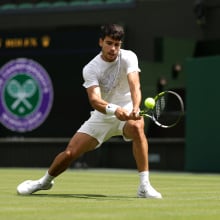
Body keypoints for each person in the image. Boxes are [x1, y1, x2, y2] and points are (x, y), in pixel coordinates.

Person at [16, 24, 162, 199]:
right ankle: (44, 182)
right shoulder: (91, 68)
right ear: (101, 42)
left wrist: (136, 107)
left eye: (117, 44)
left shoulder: (129, 57)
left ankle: (144, 186)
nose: (113, 48)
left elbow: (135, 86)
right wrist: (115, 110)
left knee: (137, 127)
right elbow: (95, 101)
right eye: (109, 43)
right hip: (103, 115)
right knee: (70, 153)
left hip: (128, 109)